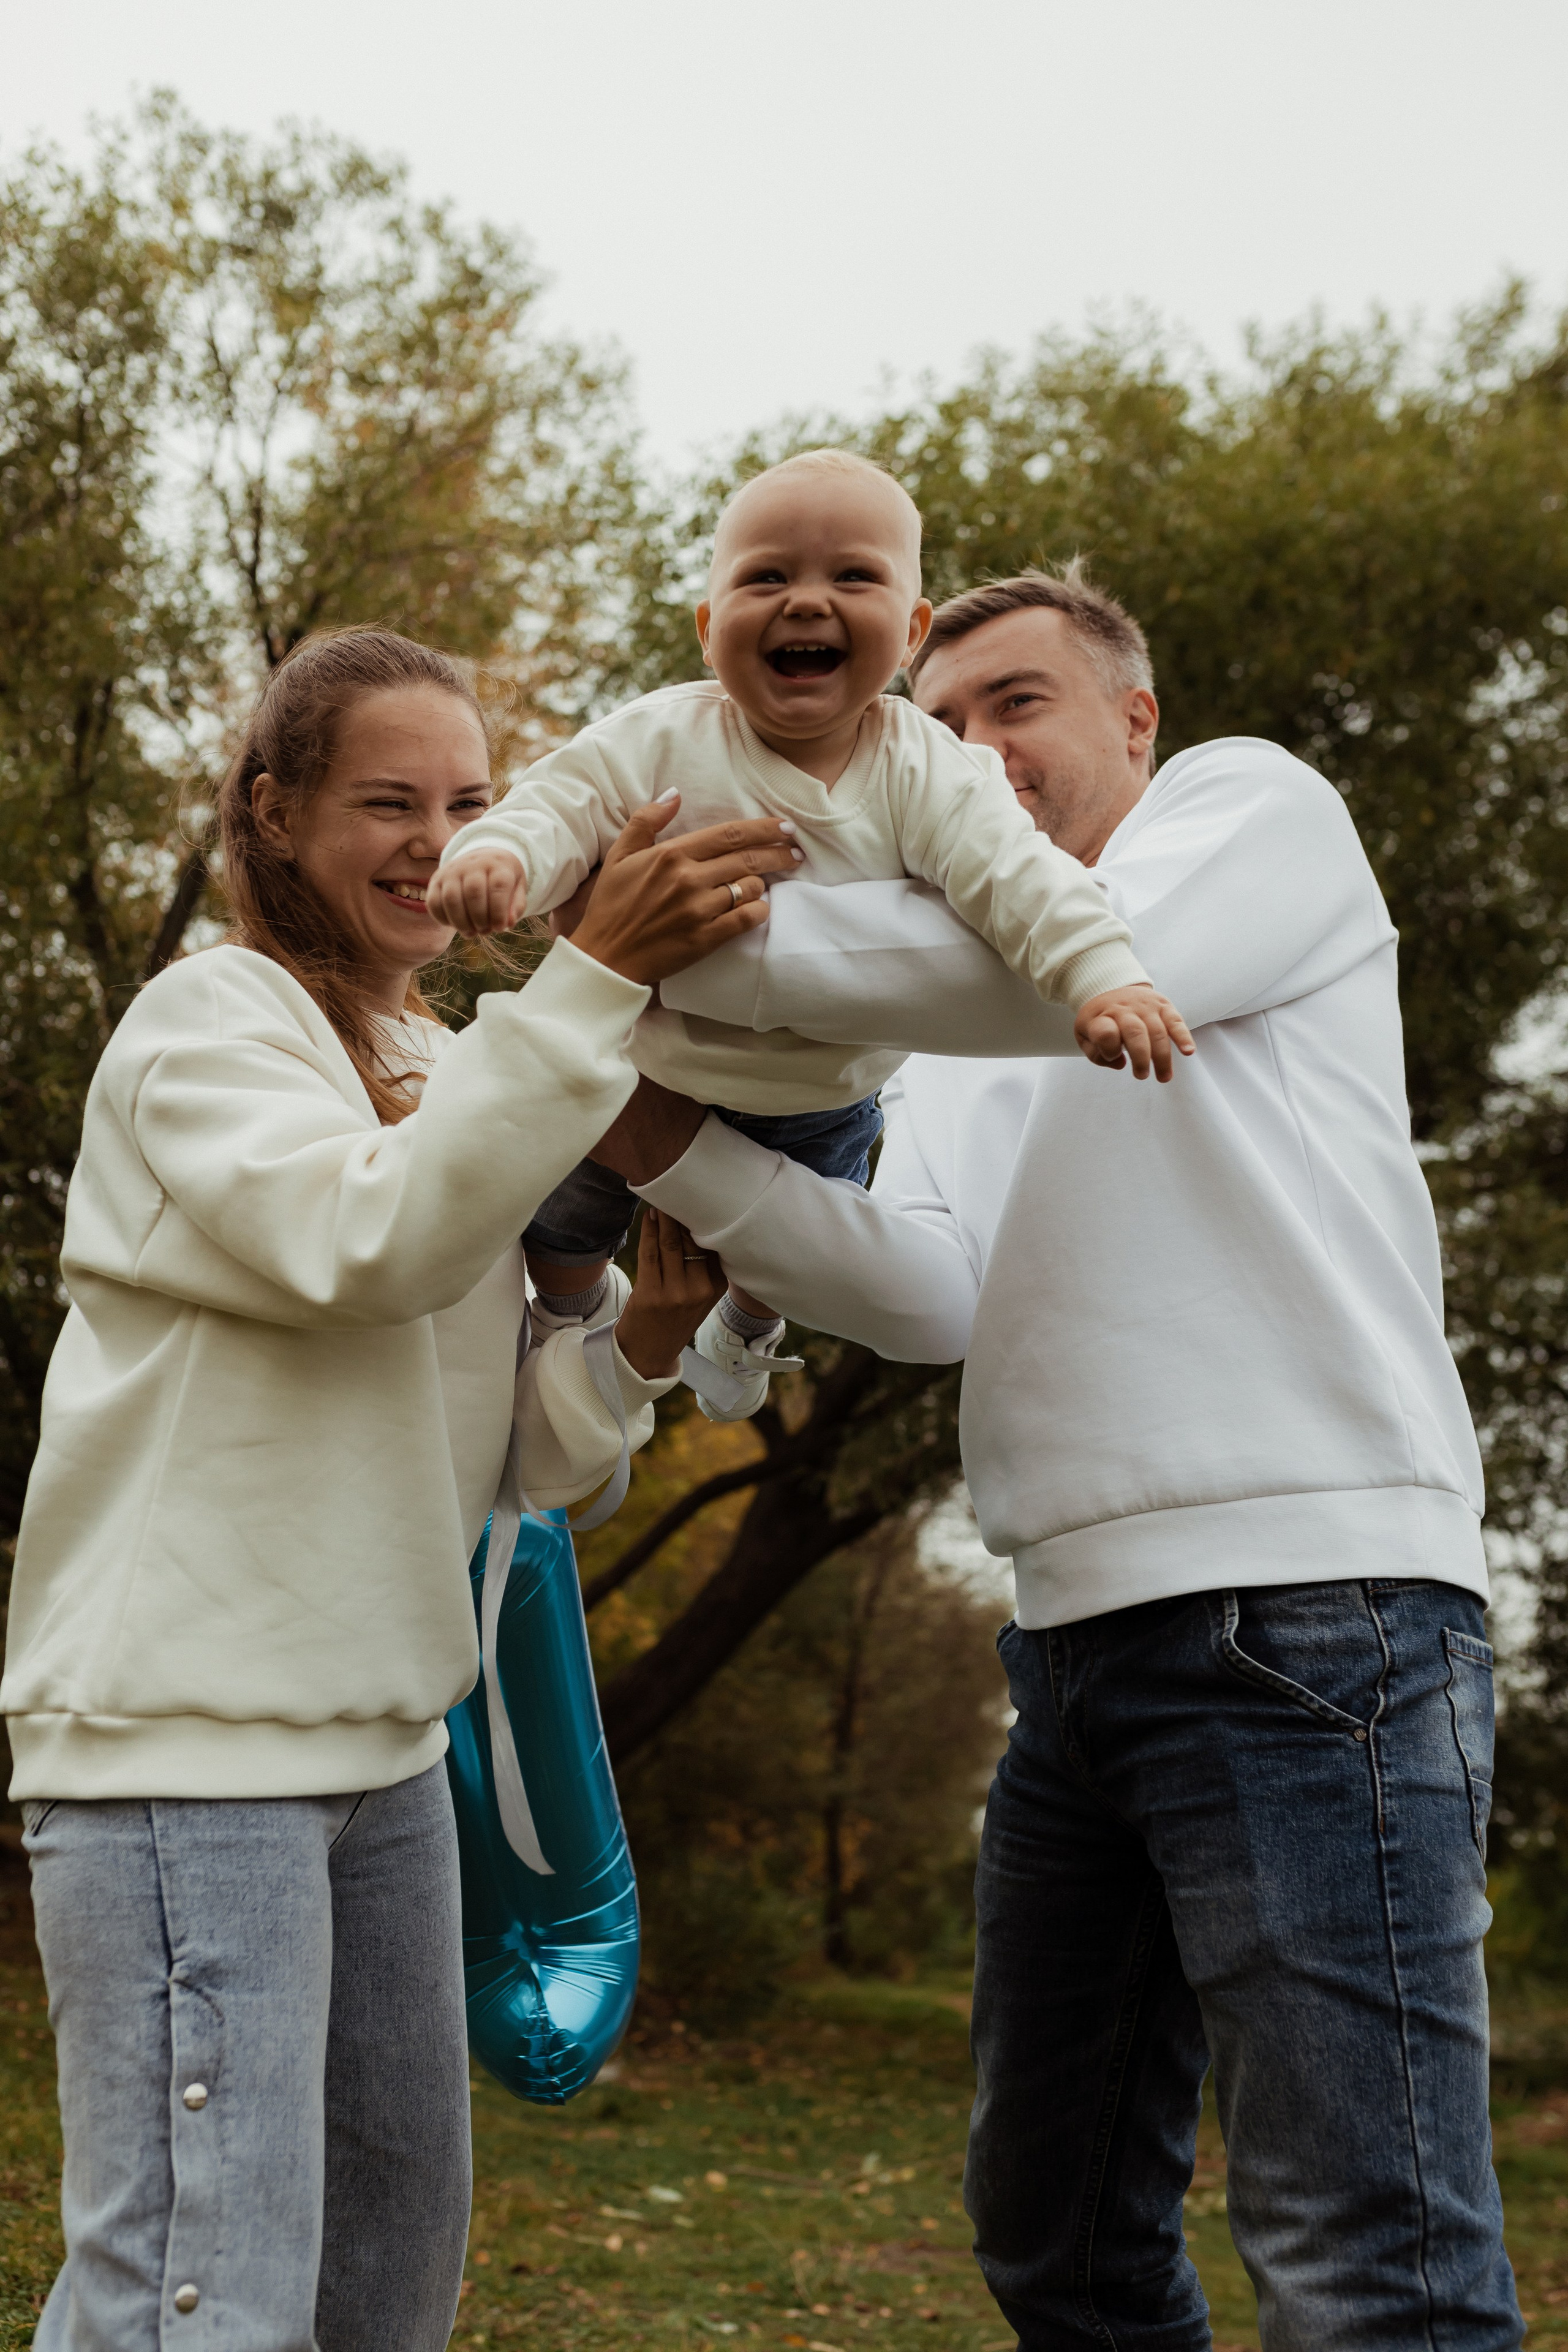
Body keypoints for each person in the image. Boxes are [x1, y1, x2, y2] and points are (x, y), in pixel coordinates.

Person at [593, 569, 1522, 2349]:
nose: (972, 752)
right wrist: (653, 1129)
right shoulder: (961, 1021)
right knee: (1057, 2242)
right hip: (1075, 1660)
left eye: (1014, 703)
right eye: (933, 731)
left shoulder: (1252, 814)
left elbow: (1080, 970)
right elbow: (930, 1289)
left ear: (1135, 722)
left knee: (1367, 2272)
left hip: (1314, 1627)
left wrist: (655, 949)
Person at [1, 626, 799, 2352]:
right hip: (190, 1753)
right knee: (199, 2297)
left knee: (382, 2290)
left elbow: (527, 1459)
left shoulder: (453, 1062)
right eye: (385, 801)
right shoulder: (209, 1022)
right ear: (274, 813)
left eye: (467, 800)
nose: (436, 843)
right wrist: (590, 979)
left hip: (384, 1754)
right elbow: (368, 1243)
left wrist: (626, 1336)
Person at [427, 450, 1188, 1424]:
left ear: (909, 634)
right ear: (709, 632)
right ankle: (563, 1324)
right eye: (767, 576)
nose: (807, 601)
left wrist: (1102, 977)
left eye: (854, 576)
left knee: (805, 1228)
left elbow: (1022, 881)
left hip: (819, 1096)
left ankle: (745, 1331)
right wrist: (501, 860)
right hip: (650, 1068)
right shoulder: (664, 738)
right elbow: (561, 804)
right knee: (565, 1213)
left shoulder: (930, 767)